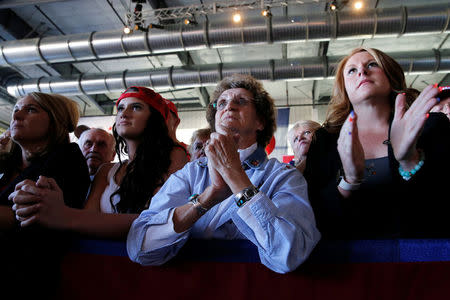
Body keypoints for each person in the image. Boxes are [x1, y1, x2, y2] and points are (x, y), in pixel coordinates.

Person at [126, 74, 320, 274]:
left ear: (260, 122)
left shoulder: (283, 176)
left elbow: (290, 254)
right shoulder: (191, 172)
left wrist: (235, 175)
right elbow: (139, 248)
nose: (229, 107)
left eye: (241, 101)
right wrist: (209, 196)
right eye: (221, 103)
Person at [303, 47, 450, 239]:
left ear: (390, 75)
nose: (362, 72)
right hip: (352, 261)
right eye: (352, 70)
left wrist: (409, 161)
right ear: (344, 88)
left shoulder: (430, 126)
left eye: (372, 64)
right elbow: (315, 216)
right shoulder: (323, 140)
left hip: (420, 259)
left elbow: (442, 203)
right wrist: (349, 181)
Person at [11, 86, 188, 240]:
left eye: (136, 107)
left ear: (154, 118)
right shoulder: (107, 170)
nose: (124, 114)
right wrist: (61, 209)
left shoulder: (175, 156)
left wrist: (64, 214)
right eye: (120, 108)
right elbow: (85, 221)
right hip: (101, 261)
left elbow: (159, 221)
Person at [0, 92, 90, 299]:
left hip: (23, 275)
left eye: (30, 110)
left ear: (56, 121)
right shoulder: (8, 162)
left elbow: (23, 217)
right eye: (15, 110)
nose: (17, 116)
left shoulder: (68, 158)